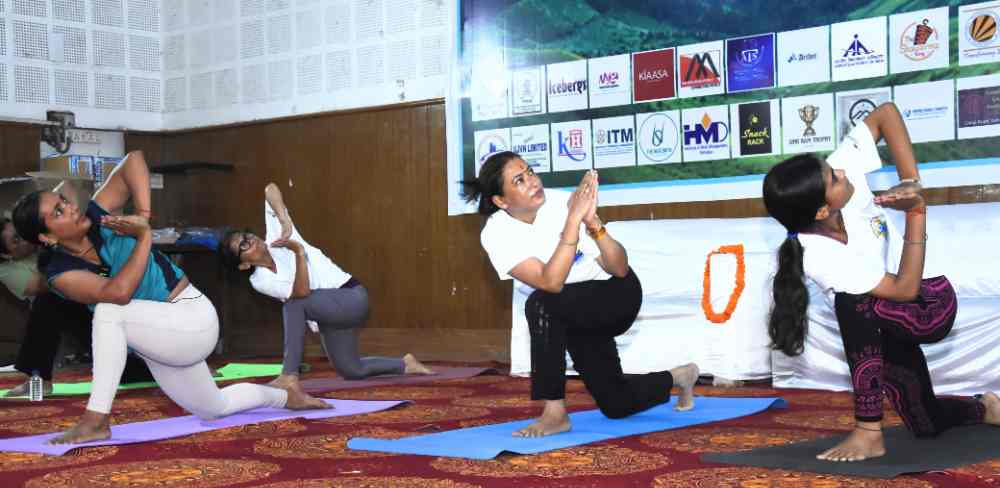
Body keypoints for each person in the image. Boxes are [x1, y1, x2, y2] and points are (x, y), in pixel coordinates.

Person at [12, 150, 328, 445]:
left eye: (64, 201)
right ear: (46, 237)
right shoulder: (59, 273)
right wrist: (143, 238)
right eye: (58, 211)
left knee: (108, 313)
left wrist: (143, 217)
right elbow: (118, 292)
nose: (71, 207)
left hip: (193, 318)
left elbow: (134, 160)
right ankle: (284, 395)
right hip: (159, 343)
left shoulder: (100, 216)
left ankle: (96, 419)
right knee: (214, 407)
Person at [763, 102, 1000, 462]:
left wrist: (911, 183)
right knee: (925, 421)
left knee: (852, 302)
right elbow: (898, 289)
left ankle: (868, 431)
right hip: (885, 320)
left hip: (929, 306)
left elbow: (886, 113)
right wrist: (916, 212)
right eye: (834, 178)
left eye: (833, 169)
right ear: (822, 211)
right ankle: (984, 407)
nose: (841, 171)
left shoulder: (841, 181)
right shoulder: (817, 254)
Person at [462, 151, 699, 438]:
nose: (533, 182)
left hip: (615, 294)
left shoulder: (563, 203)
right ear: (501, 201)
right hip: (568, 310)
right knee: (616, 403)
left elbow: (620, 268)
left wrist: (593, 223)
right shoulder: (497, 233)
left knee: (539, 305)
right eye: (519, 180)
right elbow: (550, 281)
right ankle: (679, 377)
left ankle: (555, 413)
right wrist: (573, 221)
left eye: (531, 172)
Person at [220, 182, 433, 398]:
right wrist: (299, 253)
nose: (250, 240)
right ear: (243, 265)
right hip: (327, 315)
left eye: (247, 236)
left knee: (293, 305)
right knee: (351, 370)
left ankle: (289, 376)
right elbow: (302, 291)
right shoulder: (259, 281)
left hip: (352, 297)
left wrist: (284, 219)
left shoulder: (278, 237)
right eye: (243, 245)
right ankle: (404, 364)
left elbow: (270, 189)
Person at [1, 216, 153, 397]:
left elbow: (101, 269)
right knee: (50, 299)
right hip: (93, 316)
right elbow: (45, 285)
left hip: (128, 311)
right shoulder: (8, 270)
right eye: (16, 240)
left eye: (21, 232)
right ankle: (39, 378)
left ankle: (39, 378)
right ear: (7, 255)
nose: (25, 239)